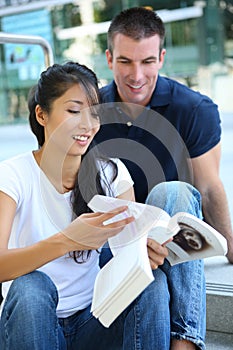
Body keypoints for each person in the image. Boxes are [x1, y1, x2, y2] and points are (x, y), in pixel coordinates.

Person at [0, 61, 171, 349]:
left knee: (152, 284)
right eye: (73, 111)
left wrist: (145, 252)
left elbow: (128, 256)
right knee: (31, 287)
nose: (87, 125)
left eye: (93, 113)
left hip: (94, 322)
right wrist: (67, 240)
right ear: (42, 115)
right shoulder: (13, 176)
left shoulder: (111, 174)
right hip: (31, 324)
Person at [94, 6, 233, 349]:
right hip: (116, 245)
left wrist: (232, 248)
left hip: (171, 245)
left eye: (147, 61)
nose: (136, 74)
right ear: (109, 58)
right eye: (125, 61)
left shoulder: (194, 110)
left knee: (173, 191)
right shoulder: (90, 110)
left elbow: (209, 188)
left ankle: (184, 342)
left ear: (162, 58)